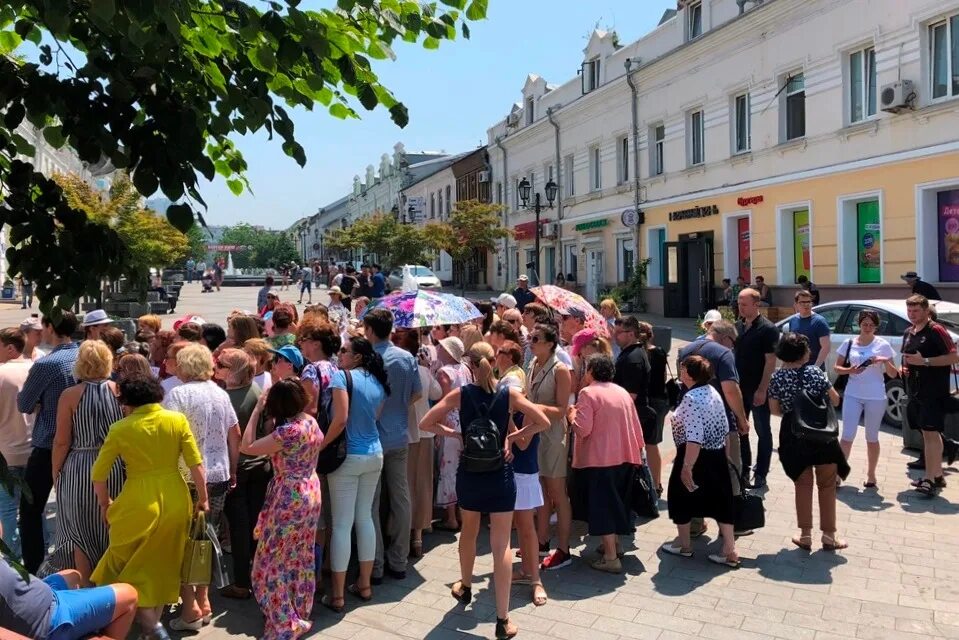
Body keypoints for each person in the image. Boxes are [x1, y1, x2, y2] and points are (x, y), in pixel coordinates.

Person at [419, 342, 550, 640]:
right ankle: (503, 619)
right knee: (501, 545)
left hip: (470, 473)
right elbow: (542, 421)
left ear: (470, 363)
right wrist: (513, 436)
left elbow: (427, 421)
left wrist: (456, 433)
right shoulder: (509, 395)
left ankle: (465, 585)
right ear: (494, 362)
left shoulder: (460, 395)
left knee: (469, 531)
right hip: (500, 475)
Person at [91, 376, 208, 639]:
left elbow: (98, 474)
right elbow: (195, 464)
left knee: (123, 567)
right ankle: (151, 630)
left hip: (137, 501)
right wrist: (203, 498)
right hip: (176, 498)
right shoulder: (176, 420)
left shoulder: (120, 428)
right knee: (162, 566)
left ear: (127, 400)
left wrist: (105, 504)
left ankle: (153, 629)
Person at [161, 343, 240, 631]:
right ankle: (204, 602)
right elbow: (235, 433)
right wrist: (232, 469)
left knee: (183, 542)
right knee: (207, 540)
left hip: (186, 477)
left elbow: (169, 436)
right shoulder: (220, 393)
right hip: (217, 475)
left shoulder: (178, 394)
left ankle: (190, 607)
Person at [241, 379, 323, 640]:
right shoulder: (310, 421)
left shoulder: (288, 432)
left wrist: (256, 410)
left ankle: (285, 620)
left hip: (289, 496)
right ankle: (297, 610)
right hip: (310, 488)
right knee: (299, 556)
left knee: (268, 563)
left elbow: (247, 447)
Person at [320, 336, 389, 614]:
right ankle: (364, 584)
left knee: (341, 525)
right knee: (364, 519)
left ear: (357, 356)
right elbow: (375, 416)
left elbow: (341, 419)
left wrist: (319, 445)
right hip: (375, 454)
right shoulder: (377, 382)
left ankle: (337, 595)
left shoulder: (341, 378)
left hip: (347, 456)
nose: (339, 353)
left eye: (344, 350)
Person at [47, 341, 125, 582]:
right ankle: (110, 581)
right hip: (113, 466)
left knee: (78, 530)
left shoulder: (70, 395)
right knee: (109, 525)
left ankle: (87, 584)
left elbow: (62, 441)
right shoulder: (119, 391)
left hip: (79, 464)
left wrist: (56, 471)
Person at [768, 333, 849, 551]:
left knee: (802, 485)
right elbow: (836, 399)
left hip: (794, 436)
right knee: (827, 485)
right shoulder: (815, 372)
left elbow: (775, 410)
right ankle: (829, 536)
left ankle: (805, 535)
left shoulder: (777, 378)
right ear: (803, 352)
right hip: (824, 435)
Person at [567, 354, 644, 573]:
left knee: (603, 507)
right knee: (617, 503)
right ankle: (614, 545)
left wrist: (571, 415)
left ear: (591, 371)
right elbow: (635, 425)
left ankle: (611, 557)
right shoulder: (621, 392)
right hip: (626, 456)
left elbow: (583, 429)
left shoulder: (588, 393)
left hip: (600, 459)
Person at [661, 355, 740, 567]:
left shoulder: (691, 399)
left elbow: (694, 437)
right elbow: (725, 427)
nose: (680, 370)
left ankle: (684, 545)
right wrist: (726, 456)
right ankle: (729, 549)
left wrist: (687, 467)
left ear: (688, 374)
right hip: (717, 454)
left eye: (683, 367)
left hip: (694, 455)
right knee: (722, 502)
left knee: (680, 497)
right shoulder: (713, 391)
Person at [17, 311, 80, 574]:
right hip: (81, 443)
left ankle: (33, 568)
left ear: (50, 328)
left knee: (31, 510)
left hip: (48, 443)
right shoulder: (84, 356)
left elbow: (25, 403)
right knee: (76, 509)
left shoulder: (46, 364)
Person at [677, 320, 750, 537]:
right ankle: (732, 523)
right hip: (720, 422)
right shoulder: (723, 354)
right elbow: (730, 389)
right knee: (730, 469)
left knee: (694, 468)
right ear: (726, 337)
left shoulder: (687, 349)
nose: (733, 347)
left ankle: (695, 523)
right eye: (733, 342)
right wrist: (742, 418)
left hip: (690, 420)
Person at [363, 308, 420, 582]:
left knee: (372, 503)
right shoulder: (406, 357)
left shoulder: (369, 358)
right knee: (401, 498)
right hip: (399, 435)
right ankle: (398, 560)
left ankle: (375, 564)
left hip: (372, 438)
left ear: (371, 331)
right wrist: (398, 410)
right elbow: (417, 393)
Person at [215, 349, 269, 601]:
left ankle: (241, 583)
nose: (217, 367)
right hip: (260, 465)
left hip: (238, 468)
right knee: (255, 524)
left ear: (233, 370)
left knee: (239, 527)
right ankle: (259, 576)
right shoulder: (257, 392)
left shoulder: (225, 398)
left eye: (222, 365)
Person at [526, 323, 573, 571]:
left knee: (557, 492)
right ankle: (542, 541)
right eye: (530, 337)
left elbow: (562, 410)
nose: (530, 341)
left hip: (553, 436)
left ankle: (564, 549)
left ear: (549, 343)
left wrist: (536, 409)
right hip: (537, 434)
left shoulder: (560, 369)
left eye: (535, 338)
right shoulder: (533, 364)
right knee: (541, 489)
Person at [834, 309, 898, 488]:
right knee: (847, 436)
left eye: (871, 325)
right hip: (853, 394)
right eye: (864, 324)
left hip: (876, 396)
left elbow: (893, 374)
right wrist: (850, 370)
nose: (868, 327)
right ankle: (839, 474)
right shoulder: (848, 343)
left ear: (876, 326)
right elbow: (837, 367)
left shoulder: (883, 344)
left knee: (872, 437)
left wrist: (885, 361)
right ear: (859, 325)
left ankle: (871, 474)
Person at [901, 294, 958, 495]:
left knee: (931, 435)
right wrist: (907, 369)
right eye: (910, 310)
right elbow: (909, 358)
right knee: (928, 434)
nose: (912, 314)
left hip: (934, 391)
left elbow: (954, 356)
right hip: (916, 390)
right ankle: (937, 475)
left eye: (916, 310)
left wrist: (925, 362)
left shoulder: (936, 330)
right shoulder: (909, 331)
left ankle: (929, 479)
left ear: (927, 311)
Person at [0, 558, 139, 640]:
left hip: (40, 593)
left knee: (74, 574)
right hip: (48, 619)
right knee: (129, 595)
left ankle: (90, 621)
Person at [396, 330, 441, 558]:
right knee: (422, 484)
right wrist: (429, 369)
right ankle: (418, 536)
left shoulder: (401, 369)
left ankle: (404, 535)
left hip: (407, 434)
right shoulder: (422, 371)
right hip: (424, 432)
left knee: (406, 486)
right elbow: (437, 392)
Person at [735, 287, 779, 489]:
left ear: (756, 304)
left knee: (763, 431)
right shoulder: (739, 326)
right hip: (739, 389)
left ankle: (761, 473)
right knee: (741, 429)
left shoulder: (768, 329)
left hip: (758, 389)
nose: (740, 307)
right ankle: (744, 470)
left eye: (744, 304)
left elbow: (770, 361)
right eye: (739, 303)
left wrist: (762, 390)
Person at [0, 327, 33, 558]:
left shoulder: (1, 374)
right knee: (34, 508)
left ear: (10, 348)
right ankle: (36, 556)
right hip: (35, 450)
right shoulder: (37, 368)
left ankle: (13, 562)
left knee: (7, 510)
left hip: (6, 453)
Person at [434, 336, 472, 531]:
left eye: (440, 346)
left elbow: (443, 403)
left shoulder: (444, 373)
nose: (437, 349)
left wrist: (438, 430)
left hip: (449, 423)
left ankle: (451, 517)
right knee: (459, 468)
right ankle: (460, 512)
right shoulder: (465, 369)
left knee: (447, 468)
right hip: (464, 421)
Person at [613, 316, 655, 484]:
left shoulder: (633, 358)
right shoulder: (630, 354)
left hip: (633, 415)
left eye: (618, 333)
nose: (615, 336)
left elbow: (630, 396)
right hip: (631, 415)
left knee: (631, 464)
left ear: (630, 334)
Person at [787, 290, 830, 367]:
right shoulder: (793, 320)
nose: (806, 305)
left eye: (808, 302)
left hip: (814, 368)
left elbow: (826, 347)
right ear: (796, 304)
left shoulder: (819, 321)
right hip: (796, 368)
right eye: (802, 302)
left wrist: (815, 367)